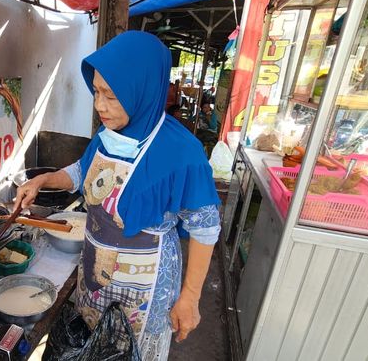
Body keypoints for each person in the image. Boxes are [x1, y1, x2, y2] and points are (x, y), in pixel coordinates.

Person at [15, 31, 221, 360]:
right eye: (96, 92)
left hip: (145, 293)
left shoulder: (183, 153)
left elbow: (205, 228)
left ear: (142, 88)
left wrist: (190, 298)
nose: (99, 106)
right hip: (95, 277)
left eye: (111, 95)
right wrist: (44, 181)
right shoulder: (107, 135)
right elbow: (82, 171)